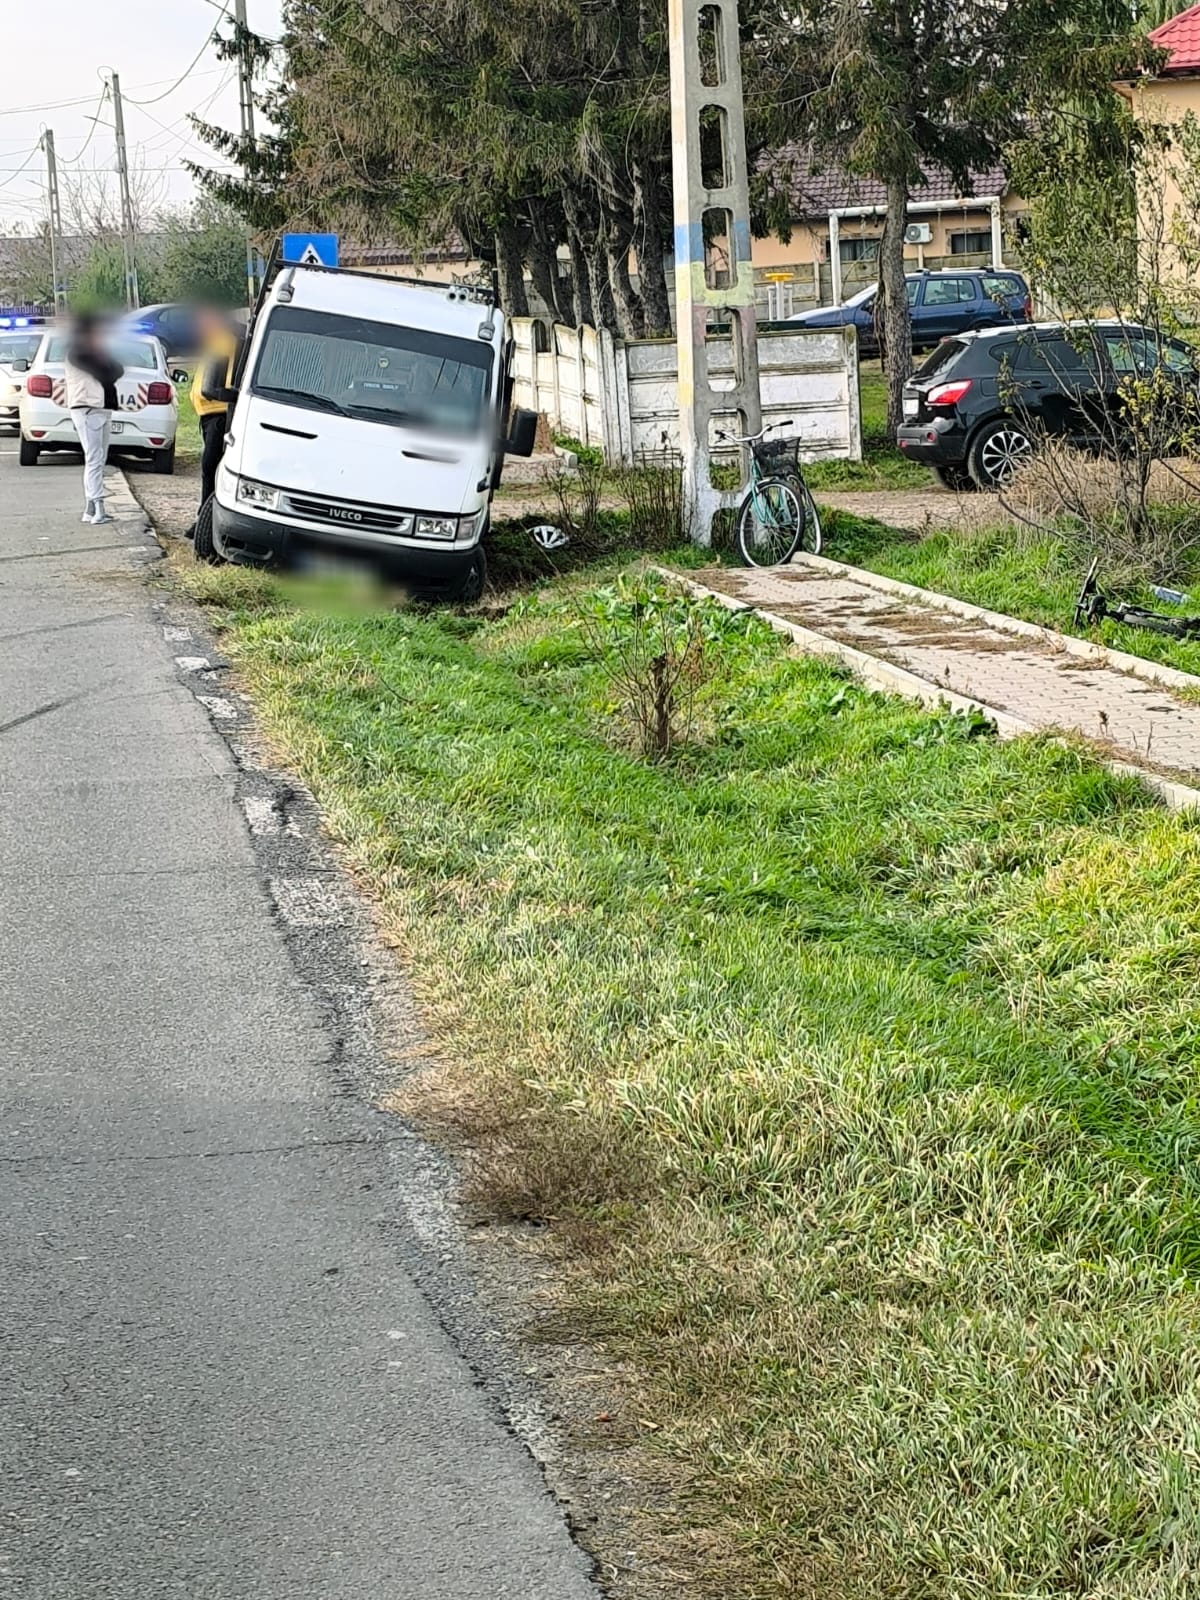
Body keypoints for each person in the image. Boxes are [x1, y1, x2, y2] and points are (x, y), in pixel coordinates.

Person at [65, 313, 123, 525]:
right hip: (89, 409)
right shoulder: (78, 354)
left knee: (99, 457)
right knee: (94, 459)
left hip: (101, 408)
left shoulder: (94, 352)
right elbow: (106, 373)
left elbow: (118, 369)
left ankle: (91, 508)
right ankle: (97, 506)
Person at [190, 306, 241, 534]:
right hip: (210, 416)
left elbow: (218, 382)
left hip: (220, 414)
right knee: (209, 468)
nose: (199, 327)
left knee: (211, 468)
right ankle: (205, 519)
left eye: (204, 322)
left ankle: (206, 522)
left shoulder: (225, 342)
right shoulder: (214, 342)